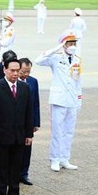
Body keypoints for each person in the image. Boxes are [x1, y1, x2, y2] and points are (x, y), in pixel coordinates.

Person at [0, 57, 33, 195]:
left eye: (17, 70)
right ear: (4, 70)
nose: (15, 73)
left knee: (16, 166)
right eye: (12, 70)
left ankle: (14, 193)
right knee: (0, 167)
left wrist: (28, 134)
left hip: (19, 135)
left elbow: (28, 112)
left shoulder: (25, 88)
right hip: (1, 136)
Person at [36, 30, 82, 172]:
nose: (72, 45)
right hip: (59, 99)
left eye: (74, 43)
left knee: (69, 131)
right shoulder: (55, 58)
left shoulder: (77, 60)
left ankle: (64, 158)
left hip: (72, 99)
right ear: (63, 44)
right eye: (69, 43)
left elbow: (78, 81)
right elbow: (39, 60)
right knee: (57, 131)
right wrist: (57, 48)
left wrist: (79, 99)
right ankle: (55, 159)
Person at [18, 58, 40, 185]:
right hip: (16, 121)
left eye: (28, 71)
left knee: (27, 147)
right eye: (23, 71)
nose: (25, 74)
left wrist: (36, 122)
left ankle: (24, 173)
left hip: (29, 121)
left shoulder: (33, 81)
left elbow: (36, 103)